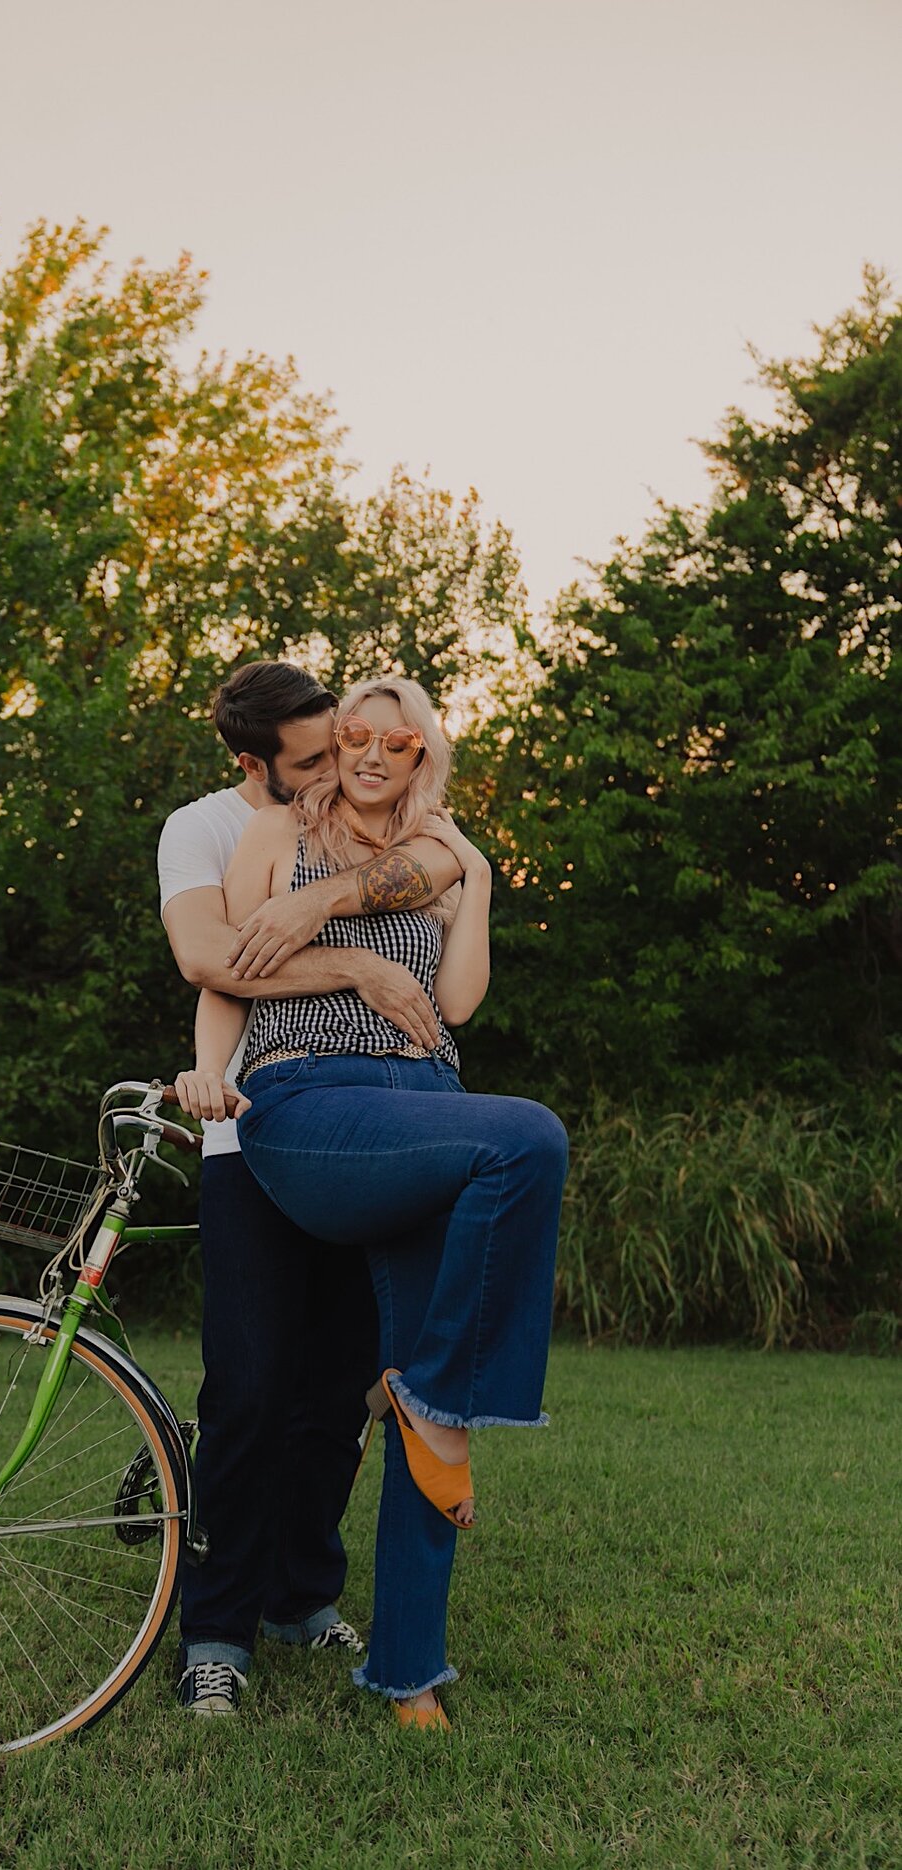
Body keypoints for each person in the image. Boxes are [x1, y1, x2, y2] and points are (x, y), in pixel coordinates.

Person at [176, 675, 567, 1732]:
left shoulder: (437, 854)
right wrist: (210, 1071)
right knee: (529, 1132)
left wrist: (476, 877)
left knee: (402, 1399)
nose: (369, 750)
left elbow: (455, 1005)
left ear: (420, 754)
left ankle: (408, 1668)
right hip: (307, 1097)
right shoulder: (271, 835)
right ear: (333, 741)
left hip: (422, 1111)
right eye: (353, 730)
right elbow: (229, 973)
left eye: (397, 738)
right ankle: (445, 1393)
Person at [155, 661, 464, 1719]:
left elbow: (441, 887)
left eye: (351, 742)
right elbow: (214, 960)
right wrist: (353, 967)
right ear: (257, 763)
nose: (341, 762)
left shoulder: (382, 826)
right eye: (316, 753)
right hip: (253, 1132)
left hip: (367, 1131)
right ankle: (216, 1627)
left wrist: (358, 936)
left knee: (338, 1390)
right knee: (246, 1386)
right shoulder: (215, 830)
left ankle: (300, 1592)